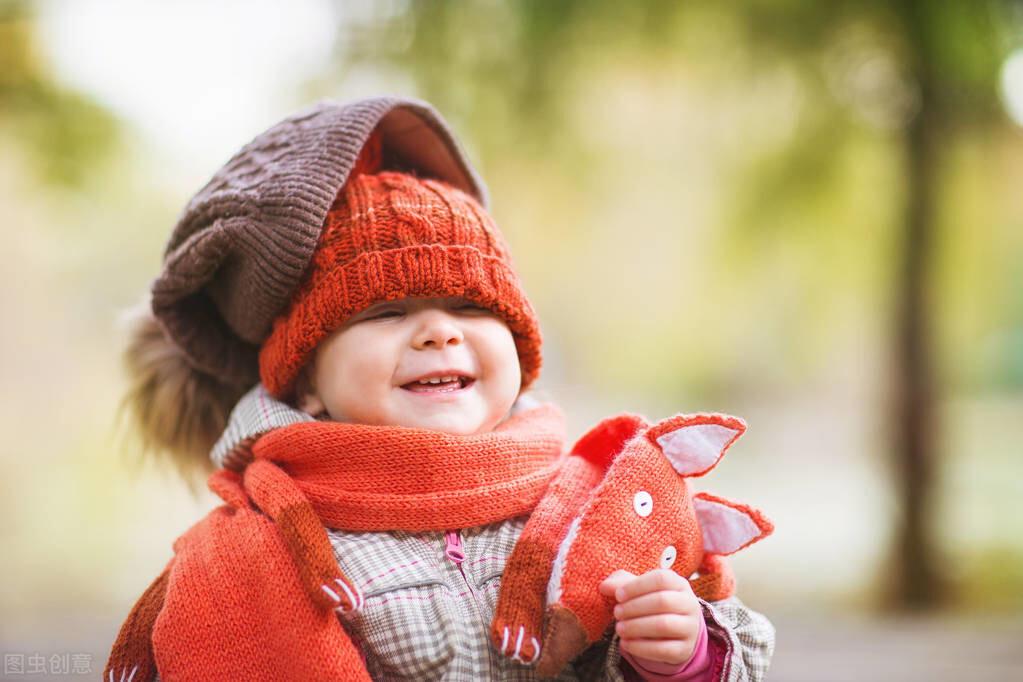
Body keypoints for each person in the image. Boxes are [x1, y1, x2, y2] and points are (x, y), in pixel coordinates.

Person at [105, 96, 774, 681]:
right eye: (385, 314)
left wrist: (677, 654)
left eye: (470, 307)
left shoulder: (592, 508)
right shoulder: (272, 546)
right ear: (306, 382)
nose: (437, 332)